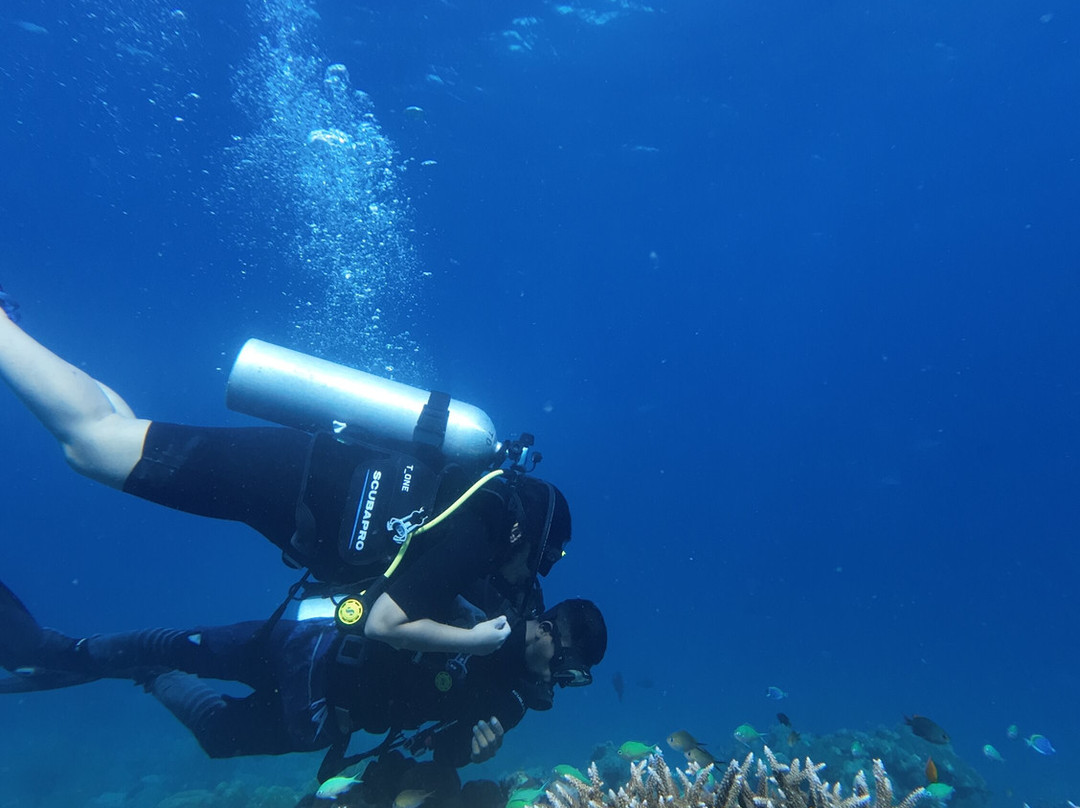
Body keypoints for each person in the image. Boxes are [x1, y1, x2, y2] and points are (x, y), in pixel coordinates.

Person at [0, 293, 570, 651]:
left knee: (114, 436)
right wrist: (470, 643)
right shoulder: (481, 534)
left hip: (293, 480)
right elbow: (383, 624)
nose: (531, 575)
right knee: (94, 445)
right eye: (546, 561)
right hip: (283, 479)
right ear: (535, 537)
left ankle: (17, 339)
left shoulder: (480, 511)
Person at [0, 577, 607, 771]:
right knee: (182, 644)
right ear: (551, 629)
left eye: (573, 676)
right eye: (568, 663)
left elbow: (439, 749)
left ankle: (148, 674)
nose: (560, 677)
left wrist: (474, 751)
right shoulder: (489, 595)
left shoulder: (513, 703)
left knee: (217, 736)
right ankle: (61, 649)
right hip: (308, 646)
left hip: (324, 717)